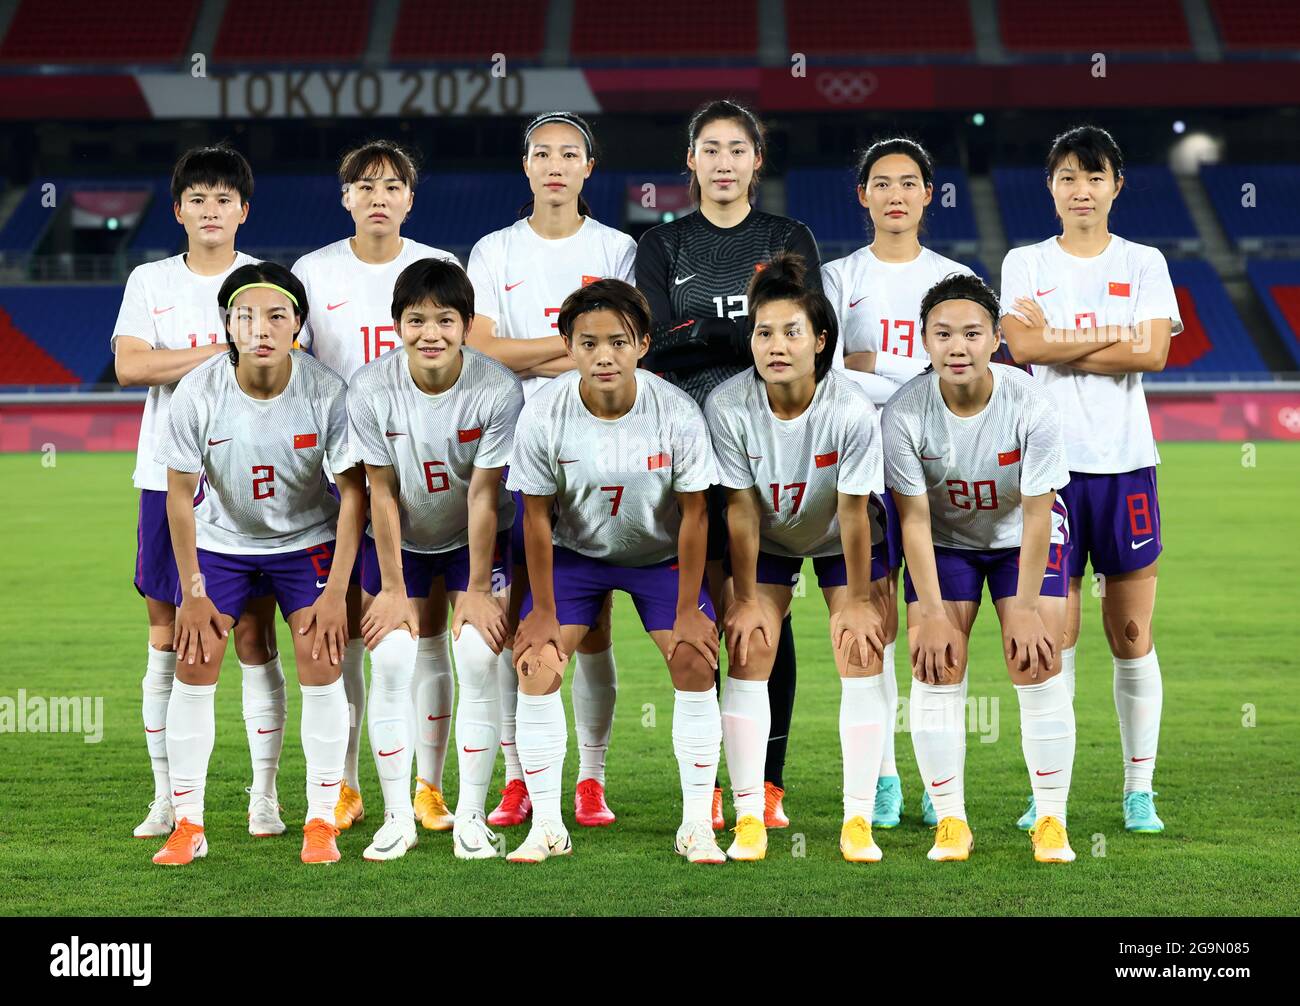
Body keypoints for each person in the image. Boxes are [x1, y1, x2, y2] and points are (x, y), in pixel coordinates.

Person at [636, 98, 822, 830]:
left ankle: (767, 781)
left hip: (772, 447)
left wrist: (702, 333)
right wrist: (739, 327)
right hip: (687, 454)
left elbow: (809, 334)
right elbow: (652, 338)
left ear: (756, 160)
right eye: (708, 148)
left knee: (767, 610)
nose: (722, 161)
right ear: (691, 160)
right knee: (711, 611)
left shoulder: (786, 236)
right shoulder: (662, 243)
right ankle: (711, 781)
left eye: (735, 149)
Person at [151, 262, 365, 866]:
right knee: (194, 658)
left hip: (306, 542)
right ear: (228, 325)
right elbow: (178, 496)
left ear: (298, 324)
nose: (261, 328)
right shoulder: (199, 391)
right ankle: (189, 824)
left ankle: (320, 819)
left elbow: (354, 495)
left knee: (320, 655)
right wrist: (191, 590)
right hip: (224, 544)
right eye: (246, 315)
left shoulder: (326, 392)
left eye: (277, 315)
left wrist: (335, 594)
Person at [999, 125, 1180, 834]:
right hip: (1050, 473)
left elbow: (1156, 352)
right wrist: (1113, 339)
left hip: (1127, 466)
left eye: (1094, 176)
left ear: (1116, 186)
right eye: (1068, 176)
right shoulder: (1024, 262)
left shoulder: (1144, 261)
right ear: (1051, 186)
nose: (1081, 189)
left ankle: (1140, 791)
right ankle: (1053, 792)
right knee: (1054, 633)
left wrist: (1060, 345)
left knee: (1131, 632)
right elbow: (1022, 345)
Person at [506, 279, 725, 865]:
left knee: (695, 659)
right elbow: (533, 516)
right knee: (536, 665)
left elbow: (697, 514)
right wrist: (544, 611)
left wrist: (686, 609)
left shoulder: (675, 412)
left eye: (618, 342)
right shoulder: (545, 411)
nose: (604, 355)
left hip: (659, 557)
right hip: (575, 556)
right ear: (569, 346)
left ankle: (697, 825)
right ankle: (547, 826)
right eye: (589, 343)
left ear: (643, 344)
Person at [112, 144, 286, 841]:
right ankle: (166, 797)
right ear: (178, 208)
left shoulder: (267, 281)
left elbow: (288, 363)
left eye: (224, 199)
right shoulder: (150, 280)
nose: (211, 211)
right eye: (197, 199)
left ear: (244, 210)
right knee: (167, 637)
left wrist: (184, 362)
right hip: (165, 478)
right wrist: (224, 352)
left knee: (253, 635)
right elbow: (130, 366)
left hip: (250, 482)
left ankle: (265, 797)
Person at [467, 112, 636, 829]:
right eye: (543, 153)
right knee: (515, 623)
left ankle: (590, 780)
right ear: (527, 165)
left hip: (601, 449)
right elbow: (481, 351)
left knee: (590, 623)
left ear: (589, 167)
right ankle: (517, 776)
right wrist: (576, 346)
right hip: (513, 449)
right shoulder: (494, 251)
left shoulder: (618, 247)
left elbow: (628, 349)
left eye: (570, 153)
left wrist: (527, 349)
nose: (556, 164)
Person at [292, 139, 461, 834]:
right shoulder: (313, 270)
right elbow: (299, 362)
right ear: (345, 198)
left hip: (424, 474)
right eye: (365, 186)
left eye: (392, 185)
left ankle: (429, 785)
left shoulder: (438, 267)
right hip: (339, 481)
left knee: (429, 632)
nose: (378, 196)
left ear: (410, 199)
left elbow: (461, 362)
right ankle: (349, 785)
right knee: (357, 637)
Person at [882, 273, 1076, 864]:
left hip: (1022, 537)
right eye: (943, 334)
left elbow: (1041, 515)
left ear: (996, 338)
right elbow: (912, 520)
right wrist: (934, 612)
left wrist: (1021, 608)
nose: (957, 346)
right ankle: (951, 822)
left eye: (971, 333)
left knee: (1035, 660)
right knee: (935, 664)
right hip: (945, 541)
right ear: (924, 341)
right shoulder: (904, 413)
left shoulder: (1031, 403)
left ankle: (1051, 819)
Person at [705, 253, 889, 863]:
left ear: (820, 341)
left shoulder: (851, 410)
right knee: (751, 643)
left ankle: (857, 819)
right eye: (763, 332)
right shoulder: (729, 407)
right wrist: (751, 596)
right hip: (770, 535)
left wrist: (860, 601)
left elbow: (858, 512)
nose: (776, 345)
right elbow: (739, 509)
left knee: (860, 648)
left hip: (842, 533)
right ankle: (750, 814)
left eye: (791, 332)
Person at [822, 137, 975, 829]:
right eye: (880, 183)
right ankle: (882, 775)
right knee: (875, 624)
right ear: (864, 195)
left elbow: (961, 371)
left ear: (927, 194)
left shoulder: (956, 278)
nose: (894, 194)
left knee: (938, 622)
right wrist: (909, 374)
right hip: (861, 465)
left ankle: (938, 781)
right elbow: (823, 371)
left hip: (940, 467)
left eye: (908, 182)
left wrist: (871, 365)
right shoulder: (836, 278)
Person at [347, 258, 523, 860]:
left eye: (445, 320)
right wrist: (393, 589)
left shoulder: (499, 388)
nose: (431, 333)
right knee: (394, 657)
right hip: (401, 542)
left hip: (475, 540)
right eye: (416, 319)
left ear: (467, 324)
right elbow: (381, 490)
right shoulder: (370, 388)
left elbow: (484, 492)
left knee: (476, 654)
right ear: (397, 324)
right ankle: (398, 817)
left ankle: (470, 815)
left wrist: (477, 587)